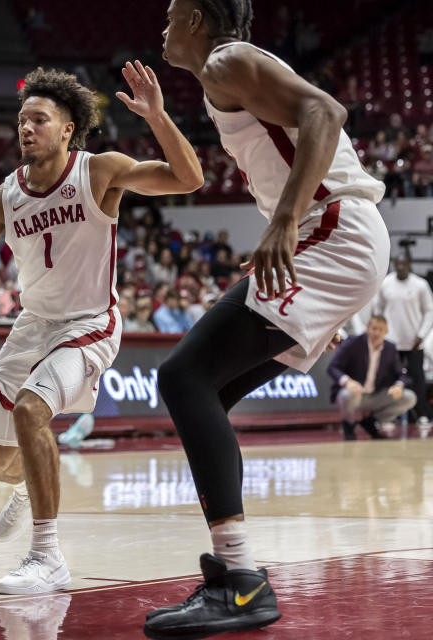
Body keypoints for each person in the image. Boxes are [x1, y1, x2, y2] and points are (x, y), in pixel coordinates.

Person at [146, 2, 390, 637]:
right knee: (209, 390)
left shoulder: (229, 60)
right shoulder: (225, 77)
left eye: (172, 14)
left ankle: (244, 582)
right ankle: (235, 573)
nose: (163, 26)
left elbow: (326, 113)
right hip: (338, 239)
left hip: (330, 230)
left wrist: (285, 219)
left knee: (182, 377)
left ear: (198, 19)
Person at [0, 65, 203, 595]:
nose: (26, 128)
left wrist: (158, 117)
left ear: (69, 128)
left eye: (39, 119)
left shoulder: (98, 172)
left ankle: (47, 556)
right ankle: (33, 485)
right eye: (22, 120)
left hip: (90, 322)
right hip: (32, 325)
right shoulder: (2, 198)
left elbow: (188, 179)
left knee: (33, 410)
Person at [328, 315, 415, 439]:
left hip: (376, 395)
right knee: (346, 395)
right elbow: (333, 367)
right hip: (355, 394)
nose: (377, 332)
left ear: (386, 332)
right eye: (374, 328)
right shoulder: (353, 343)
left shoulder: (390, 348)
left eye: (381, 330)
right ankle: (349, 425)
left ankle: (372, 421)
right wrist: (347, 382)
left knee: (409, 397)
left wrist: (398, 385)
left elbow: (401, 374)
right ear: (367, 329)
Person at [375, 255, 433, 426]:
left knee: (418, 379)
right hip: (391, 342)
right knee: (388, 380)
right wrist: (381, 334)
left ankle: (422, 414)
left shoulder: (420, 285)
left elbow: (430, 311)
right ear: (394, 265)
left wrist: (421, 335)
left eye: (403, 264)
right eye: (397, 264)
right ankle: (388, 416)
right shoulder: (386, 283)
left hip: (414, 342)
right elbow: (378, 309)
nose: (400, 267)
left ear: (409, 264)